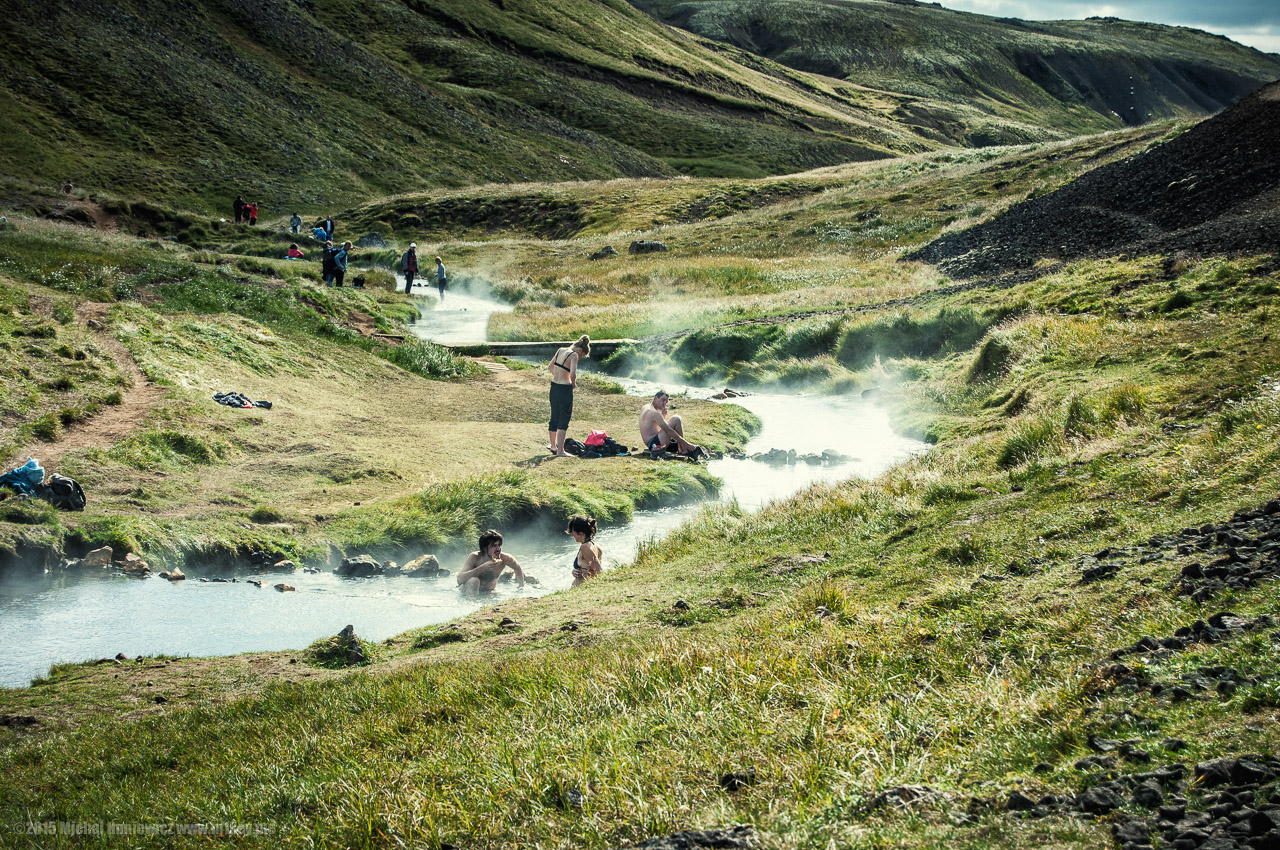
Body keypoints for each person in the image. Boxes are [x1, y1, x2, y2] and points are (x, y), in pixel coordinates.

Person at [547, 335, 590, 457]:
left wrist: (559, 375)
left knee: (554, 416)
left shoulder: (560, 350)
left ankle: (553, 445)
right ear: (580, 350)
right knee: (564, 418)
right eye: (582, 356)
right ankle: (560, 451)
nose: (580, 357)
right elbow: (573, 373)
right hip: (564, 389)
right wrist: (573, 384)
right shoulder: (574, 355)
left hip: (554, 386)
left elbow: (550, 366)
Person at [457, 529, 524, 595]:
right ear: (484, 548)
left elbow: (517, 568)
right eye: (494, 546)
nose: (498, 549)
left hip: (488, 592)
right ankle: (472, 605)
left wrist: (520, 588)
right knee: (474, 581)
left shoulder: (504, 558)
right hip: (467, 592)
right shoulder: (475, 557)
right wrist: (481, 568)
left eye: (499, 545)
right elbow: (459, 579)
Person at [640, 390, 704, 458]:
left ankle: (682, 447)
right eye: (663, 400)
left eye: (666, 402)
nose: (664, 403)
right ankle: (683, 448)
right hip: (654, 444)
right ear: (656, 398)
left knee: (675, 420)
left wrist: (663, 416)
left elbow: (653, 426)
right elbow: (668, 431)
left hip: (652, 442)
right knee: (676, 419)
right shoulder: (654, 413)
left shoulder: (646, 406)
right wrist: (686, 444)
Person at [567, 515, 603, 587]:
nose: (571, 534)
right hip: (585, 586)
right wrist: (575, 571)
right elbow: (589, 568)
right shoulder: (595, 545)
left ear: (581, 534)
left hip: (581, 587)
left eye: (572, 531)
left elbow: (598, 570)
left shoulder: (585, 547)